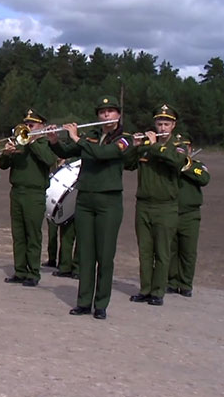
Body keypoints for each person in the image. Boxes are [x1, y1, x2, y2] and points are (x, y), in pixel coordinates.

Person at [47, 96, 132, 320]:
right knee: (85, 254)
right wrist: (55, 140)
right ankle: (84, 302)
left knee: (104, 255)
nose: (106, 115)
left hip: (108, 202)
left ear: (118, 115)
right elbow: (67, 152)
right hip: (85, 200)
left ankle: (101, 303)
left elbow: (105, 154)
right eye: (103, 112)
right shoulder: (91, 136)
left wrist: (76, 138)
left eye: (111, 111)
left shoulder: (125, 139)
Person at [125, 104, 186, 306]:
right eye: (159, 123)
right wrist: (134, 145)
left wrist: (153, 145)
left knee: (161, 251)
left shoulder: (178, 145)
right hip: (143, 204)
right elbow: (128, 164)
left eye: (166, 124)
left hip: (165, 206)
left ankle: (158, 291)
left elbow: (177, 161)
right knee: (145, 251)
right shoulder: (146, 144)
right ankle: (145, 289)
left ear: (173, 125)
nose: (162, 128)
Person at [0, 109, 56, 287]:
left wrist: (33, 142)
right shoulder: (19, 142)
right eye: (26, 125)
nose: (28, 128)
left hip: (34, 193)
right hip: (17, 191)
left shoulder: (45, 143)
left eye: (32, 125)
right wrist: (7, 153)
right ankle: (20, 270)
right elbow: (2, 165)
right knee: (18, 233)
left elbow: (49, 160)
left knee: (32, 234)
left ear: (41, 126)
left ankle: (33, 272)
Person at [167, 140, 210, 298]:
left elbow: (205, 178)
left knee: (188, 251)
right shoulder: (170, 165)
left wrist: (187, 166)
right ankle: (171, 282)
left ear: (190, 149)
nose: (181, 151)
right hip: (170, 211)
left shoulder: (197, 165)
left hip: (190, 215)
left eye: (184, 149)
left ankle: (185, 284)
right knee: (171, 250)